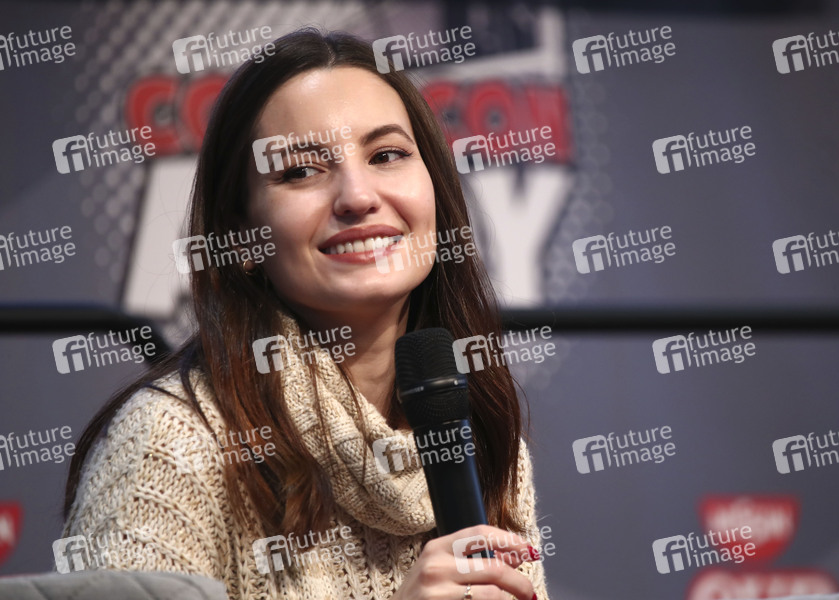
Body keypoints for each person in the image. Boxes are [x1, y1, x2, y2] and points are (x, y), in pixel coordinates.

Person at [62, 28, 547, 600]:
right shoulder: (170, 443)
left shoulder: (484, 438)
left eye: (386, 155)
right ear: (242, 237)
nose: (358, 197)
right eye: (300, 171)